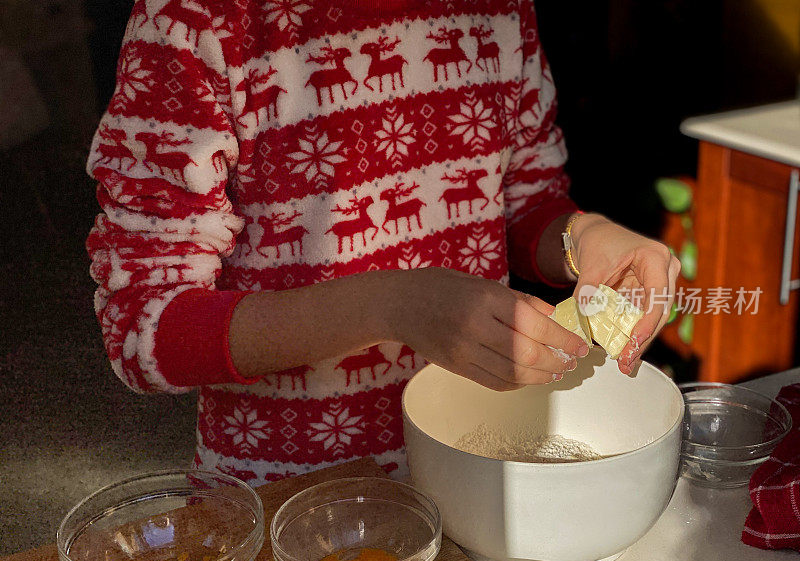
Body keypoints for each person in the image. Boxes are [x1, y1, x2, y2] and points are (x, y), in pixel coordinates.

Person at [86, 0, 680, 484]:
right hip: (291, 499)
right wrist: (393, 307)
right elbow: (144, 326)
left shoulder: (498, 10)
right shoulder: (198, 21)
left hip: (473, 468)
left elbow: (524, 201)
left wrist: (583, 236)